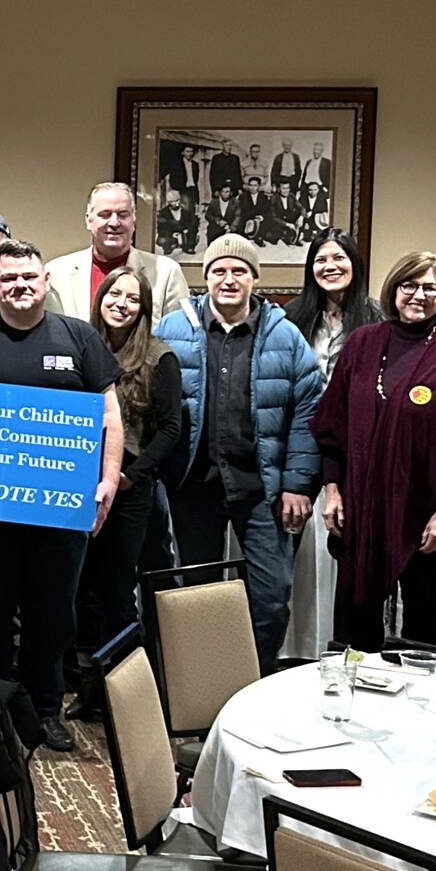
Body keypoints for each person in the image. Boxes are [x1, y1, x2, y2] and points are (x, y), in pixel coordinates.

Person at [0, 241, 123, 750]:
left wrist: (107, 478)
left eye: (29, 277)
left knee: (53, 613)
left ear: (45, 282)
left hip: (60, 509)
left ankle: (43, 708)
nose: (19, 286)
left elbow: (109, 415)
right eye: (8, 278)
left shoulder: (78, 338)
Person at [315, 254, 436, 648]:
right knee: (356, 623)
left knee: (422, 623)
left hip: (424, 516)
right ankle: (355, 698)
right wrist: (332, 489)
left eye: (430, 288)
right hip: (361, 509)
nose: (418, 295)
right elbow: (332, 425)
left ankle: (422, 700)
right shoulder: (363, 344)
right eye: (409, 285)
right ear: (394, 289)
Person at [155, 233, 321, 673]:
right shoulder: (172, 329)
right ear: (205, 277)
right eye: (219, 271)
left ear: (254, 278)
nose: (229, 280)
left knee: (270, 597)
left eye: (239, 271)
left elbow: (309, 411)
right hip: (194, 488)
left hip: (261, 489)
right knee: (196, 596)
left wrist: (297, 485)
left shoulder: (285, 336)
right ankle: (203, 687)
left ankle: (255, 683)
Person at [69, 265, 183, 722]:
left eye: (132, 298)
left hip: (131, 489)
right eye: (114, 293)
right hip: (78, 486)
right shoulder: (80, 346)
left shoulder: (160, 357)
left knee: (117, 592)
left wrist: (132, 475)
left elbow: (172, 428)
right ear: (101, 298)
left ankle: (123, 691)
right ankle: (88, 687)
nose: (120, 303)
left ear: (144, 309)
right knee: (82, 591)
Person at [281, 229, 381, 659]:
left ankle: (340, 650)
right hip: (301, 444)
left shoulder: (377, 319)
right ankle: (297, 650)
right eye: (321, 260)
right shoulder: (291, 317)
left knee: (341, 555)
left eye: (339, 258)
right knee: (300, 558)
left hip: (355, 452)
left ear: (355, 265)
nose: (330, 267)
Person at [44, 182, 190, 321]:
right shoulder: (55, 273)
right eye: (105, 214)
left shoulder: (166, 272)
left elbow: (181, 337)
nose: (114, 223)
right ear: (89, 221)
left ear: (133, 221)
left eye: (123, 214)